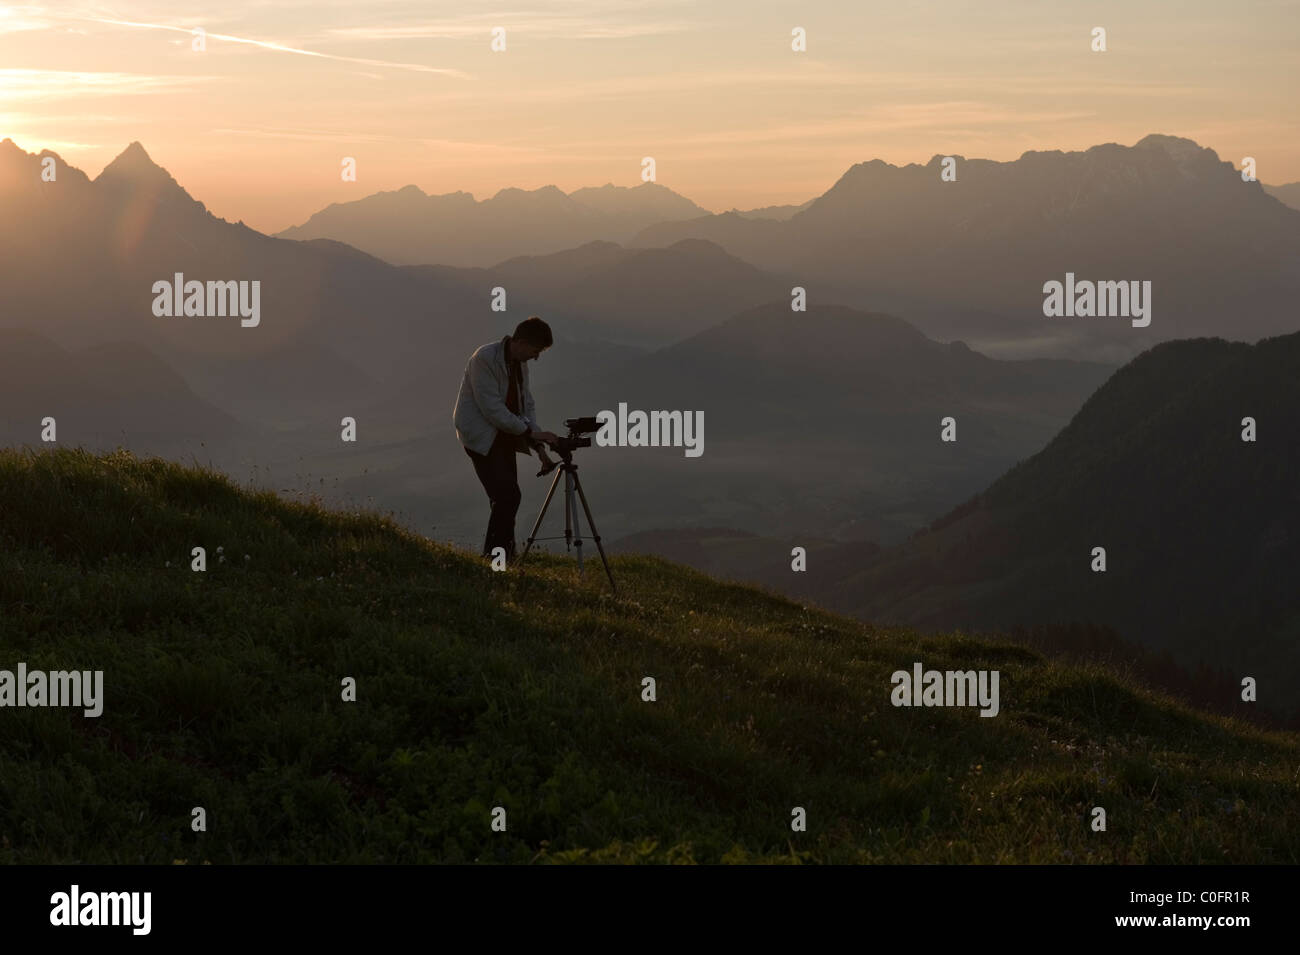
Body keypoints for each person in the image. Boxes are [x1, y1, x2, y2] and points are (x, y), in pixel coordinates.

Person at [453, 316, 560, 563]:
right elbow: (492, 409)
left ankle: (501, 555)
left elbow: (526, 405)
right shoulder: (484, 359)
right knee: (507, 496)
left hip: (504, 435)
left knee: (506, 497)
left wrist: (539, 445)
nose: (536, 357)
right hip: (481, 436)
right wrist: (531, 433)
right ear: (521, 342)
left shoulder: (518, 364)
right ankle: (496, 556)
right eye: (535, 351)